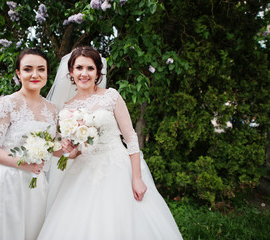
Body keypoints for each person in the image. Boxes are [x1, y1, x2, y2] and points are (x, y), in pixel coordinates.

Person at [38, 46, 183, 239]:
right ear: (71, 71)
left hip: (117, 167)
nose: (84, 73)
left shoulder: (111, 96)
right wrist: (68, 149)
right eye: (79, 68)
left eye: (90, 68)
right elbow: (74, 153)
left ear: (98, 72)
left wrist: (137, 178)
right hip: (81, 173)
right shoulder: (67, 109)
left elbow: (130, 138)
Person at [0, 48, 60, 240]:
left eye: (41, 69)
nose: (35, 74)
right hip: (5, 181)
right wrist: (21, 162)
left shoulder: (52, 109)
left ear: (47, 73)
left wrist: (72, 147)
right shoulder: (7, 103)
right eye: (28, 69)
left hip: (35, 184)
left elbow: (53, 145)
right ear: (18, 73)